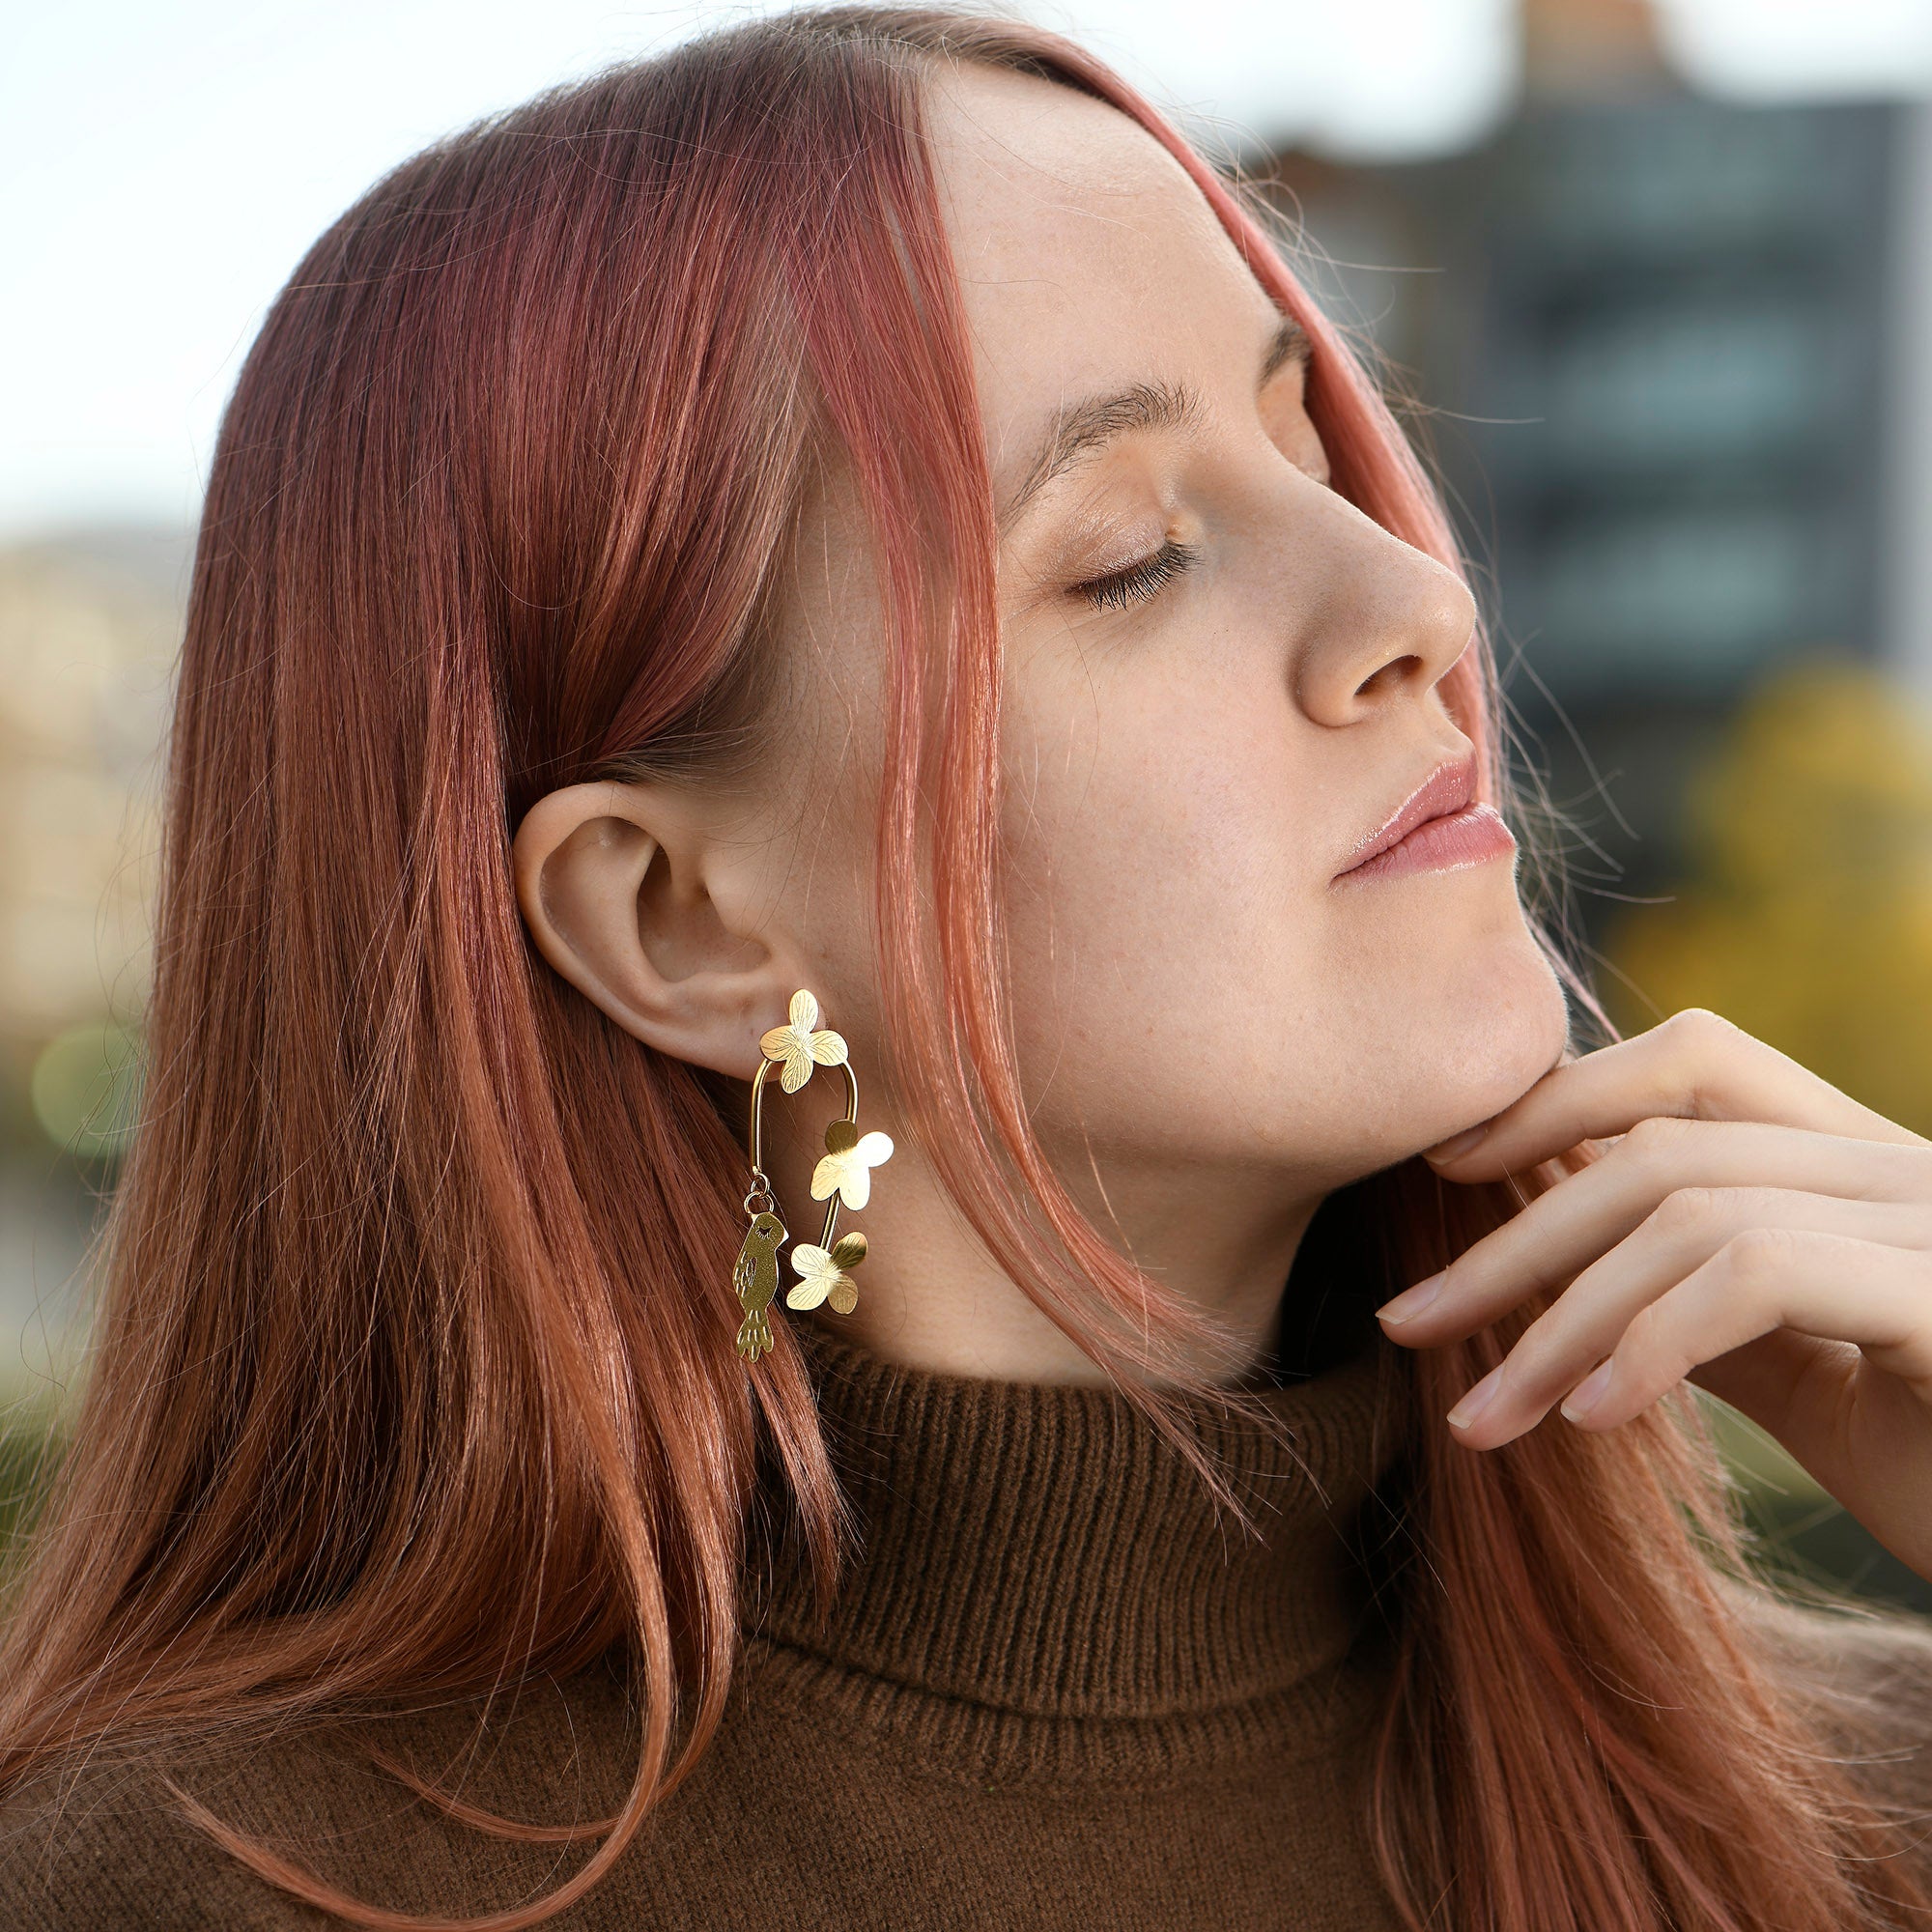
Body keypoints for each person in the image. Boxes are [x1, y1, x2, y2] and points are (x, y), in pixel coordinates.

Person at [6, 6, 1932, 1927]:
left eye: (1312, 442)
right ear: (679, 919)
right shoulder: (231, 1887)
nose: (1413, 602)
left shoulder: (1840, 1811)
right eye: (1129, 554)